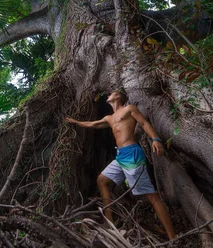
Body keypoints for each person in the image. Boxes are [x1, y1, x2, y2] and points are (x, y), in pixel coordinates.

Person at [65, 90, 176, 240]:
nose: (108, 94)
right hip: (121, 156)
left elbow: (143, 123)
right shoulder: (109, 118)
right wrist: (76, 122)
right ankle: (109, 222)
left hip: (132, 153)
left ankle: (172, 236)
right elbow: (93, 124)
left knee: (151, 196)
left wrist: (156, 139)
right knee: (102, 180)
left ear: (118, 96)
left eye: (111, 93)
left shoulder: (129, 109)